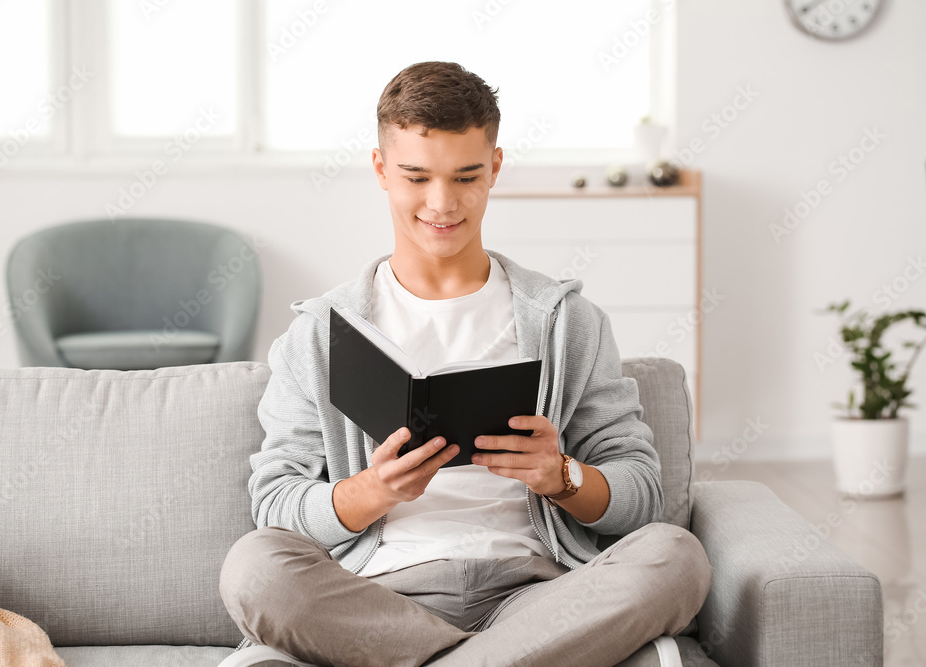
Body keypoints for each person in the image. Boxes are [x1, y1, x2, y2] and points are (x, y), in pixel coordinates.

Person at [220, 61, 712, 667]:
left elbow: (642, 496)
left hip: (537, 596)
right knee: (254, 569)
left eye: (466, 176)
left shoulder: (565, 322)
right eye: (416, 176)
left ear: (495, 169)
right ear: (381, 169)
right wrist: (370, 492)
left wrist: (560, 475)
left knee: (675, 556)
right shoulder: (320, 334)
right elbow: (275, 504)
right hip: (378, 599)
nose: (441, 203)